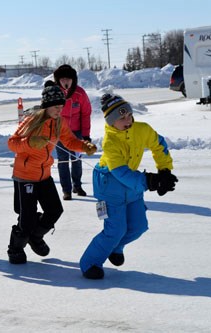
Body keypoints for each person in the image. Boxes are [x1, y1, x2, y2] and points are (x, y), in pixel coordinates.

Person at [79, 93, 178, 279]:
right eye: (121, 118)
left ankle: (115, 247)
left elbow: (159, 144)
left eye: (129, 115)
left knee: (139, 226)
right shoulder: (110, 142)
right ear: (110, 122)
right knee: (115, 230)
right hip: (109, 187)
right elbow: (120, 172)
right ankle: (89, 263)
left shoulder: (141, 129)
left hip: (132, 185)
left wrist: (164, 170)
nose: (128, 120)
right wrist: (150, 181)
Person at [6, 81, 97, 264]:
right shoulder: (32, 120)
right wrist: (31, 143)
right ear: (47, 105)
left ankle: (35, 237)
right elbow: (12, 143)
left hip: (44, 175)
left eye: (61, 107)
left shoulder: (59, 122)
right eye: (56, 107)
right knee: (27, 219)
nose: (59, 110)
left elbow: (70, 141)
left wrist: (84, 146)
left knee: (55, 210)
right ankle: (15, 249)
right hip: (25, 177)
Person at [53, 64, 92, 200]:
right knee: (63, 161)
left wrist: (86, 135)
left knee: (76, 159)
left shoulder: (80, 93)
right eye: (62, 79)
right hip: (60, 133)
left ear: (73, 80)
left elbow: (86, 114)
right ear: (58, 80)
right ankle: (66, 190)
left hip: (77, 133)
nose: (65, 82)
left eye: (68, 79)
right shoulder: (54, 93)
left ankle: (77, 185)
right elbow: (47, 113)